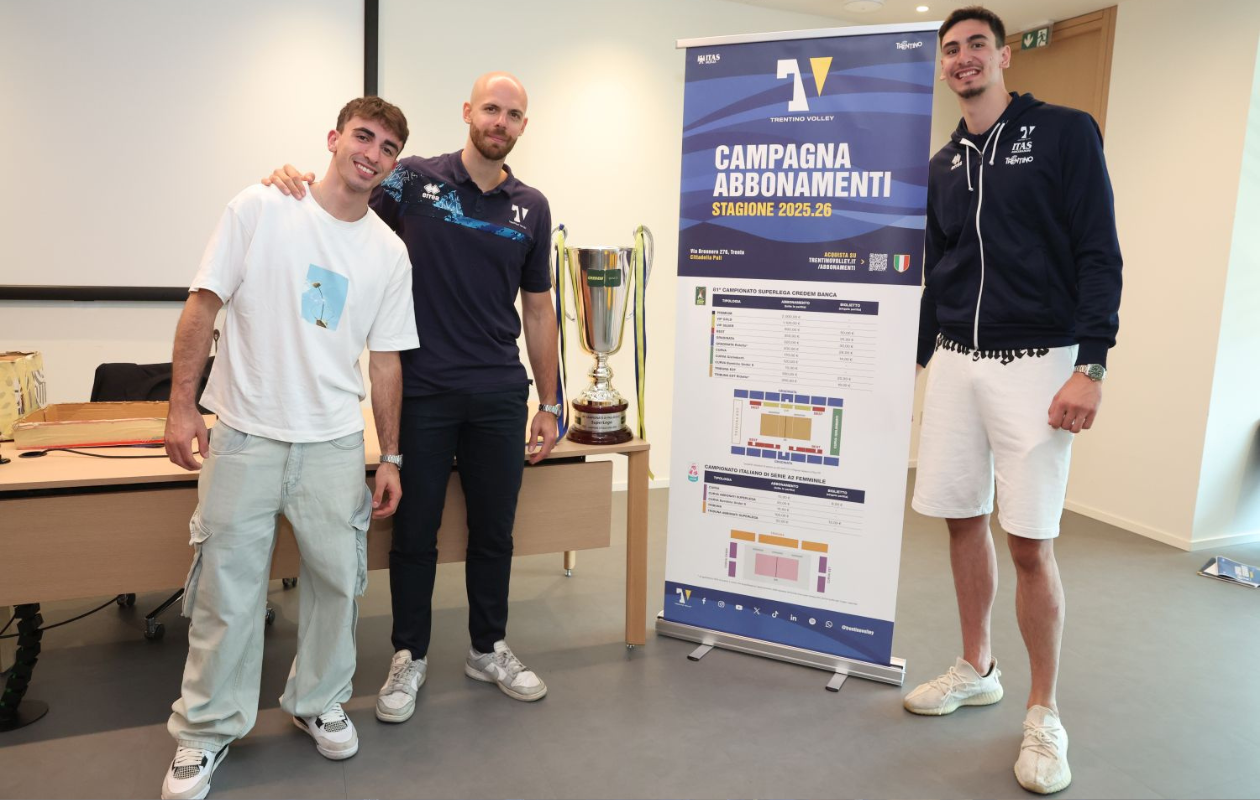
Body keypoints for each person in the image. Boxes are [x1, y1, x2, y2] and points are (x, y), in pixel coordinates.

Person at [264, 71, 560, 721]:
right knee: (415, 532)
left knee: (494, 531)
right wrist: (291, 185)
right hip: (422, 389)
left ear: (523, 126)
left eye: (513, 114)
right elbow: (341, 206)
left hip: (499, 393)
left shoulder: (531, 207)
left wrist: (551, 402)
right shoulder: (414, 180)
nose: (500, 122)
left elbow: (538, 309)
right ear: (468, 111)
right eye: (491, 109)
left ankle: (488, 647)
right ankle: (410, 654)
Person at [160, 97, 417, 800]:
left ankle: (317, 701)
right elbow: (203, 305)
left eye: (388, 147)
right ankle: (206, 729)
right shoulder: (261, 207)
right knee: (227, 592)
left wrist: (390, 456)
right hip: (245, 434)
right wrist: (182, 406)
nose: (372, 153)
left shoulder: (389, 252)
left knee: (338, 586)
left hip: (334, 443)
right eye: (363, 135)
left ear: (393, 165)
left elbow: (387, 361)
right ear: (334, 138)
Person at [905, 6, 1122, 795]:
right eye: (951, 50)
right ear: (943, 67)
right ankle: (978, 667)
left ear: (1004, 57)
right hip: (957, 360)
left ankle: (1043, 712)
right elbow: (940, 272)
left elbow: (1098, 251)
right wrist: (914, 364)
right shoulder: (943, 163)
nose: (963, 58)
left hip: (1039, 362)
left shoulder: (1064, 133)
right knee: (961, 518)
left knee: (1029, 543)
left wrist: (1091, 364)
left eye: (976, 46)